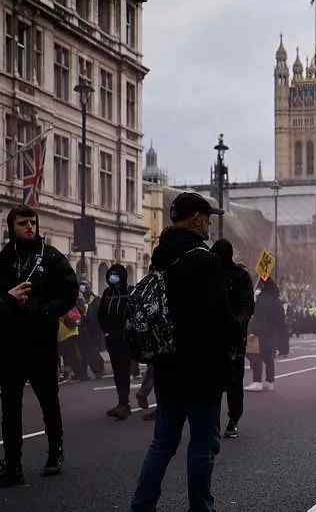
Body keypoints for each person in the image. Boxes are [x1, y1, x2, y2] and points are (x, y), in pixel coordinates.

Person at [129, 192, 231, 512]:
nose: (209, 224)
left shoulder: (160, 256)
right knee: (202, 445)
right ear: (196, 218)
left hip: (168, 366)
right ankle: (201, 508)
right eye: (207, 218)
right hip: (201, 368)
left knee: (163, 443)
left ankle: (142, 505)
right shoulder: (206, 260)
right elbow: (220, 318)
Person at [0, 206, 79, 487]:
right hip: (10, 344)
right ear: (12, 226)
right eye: (23, 223)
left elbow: (70, 290)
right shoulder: (4, 258)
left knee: (48, 400)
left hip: (42, 342)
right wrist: (8, 298)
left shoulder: (51, 257)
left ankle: (55, 453)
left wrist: (45, 311)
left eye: (32, 222)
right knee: (9, 406)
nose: (30, 227)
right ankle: (12, 466)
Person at [211, 239, 254, 438]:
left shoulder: (240, 276)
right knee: (214, 383)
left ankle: (233, 419)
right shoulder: (210, 275)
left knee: (234, 382)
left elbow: (248, 306)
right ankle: (214, 422)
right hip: (214, 336)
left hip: (234, 337)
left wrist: (238, 322)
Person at [100, 264, 134, 420]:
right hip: (111, 338)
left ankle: (124, 404)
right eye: (111, 274)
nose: (112, 277)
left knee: (123, 371)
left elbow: (133, 314)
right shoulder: (107, 293)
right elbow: (101, 314)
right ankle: (120, 403)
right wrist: (106, 331)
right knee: (116, 371)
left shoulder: (128, 293)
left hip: (125, 339)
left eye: (116, 274)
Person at [245, 277, 283, 392]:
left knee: (255, 355)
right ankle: (270, 381)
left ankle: (257, 381)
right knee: (268, 357)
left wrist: (253, 332)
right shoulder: (276, 299)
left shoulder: (262, 299)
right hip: (271, 333)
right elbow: (280, 318)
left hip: (260, 332)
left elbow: (258, 317)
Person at [76, 280, 105, 380]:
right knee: (83, 352)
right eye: (81, 285)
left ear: (89, 287)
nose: (83, 287)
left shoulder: (96, 299)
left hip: (94, 330)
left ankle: (98, 370)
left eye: (85, 285)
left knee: (92, 352)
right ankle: (83, 374)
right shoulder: (78, 300)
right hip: (82, 330)